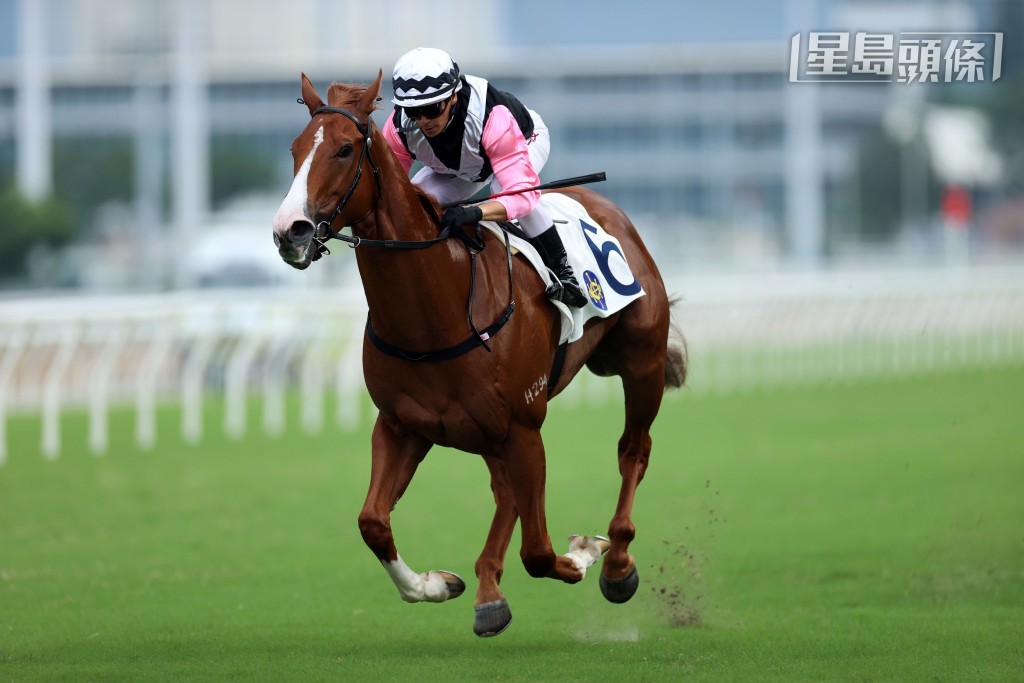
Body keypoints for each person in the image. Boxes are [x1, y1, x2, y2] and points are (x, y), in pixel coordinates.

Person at [382, 47, 587, 308]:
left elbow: (521, 197)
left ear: (453, 97)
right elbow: (390, 192)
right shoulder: (399, 126)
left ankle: (564, 274)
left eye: (433, 109)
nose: (423, 121)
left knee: (504, 190)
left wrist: (474, 213)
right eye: (414, 111)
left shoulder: (492, 116)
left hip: (521, 140)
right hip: (463, 165)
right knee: (411, 202)